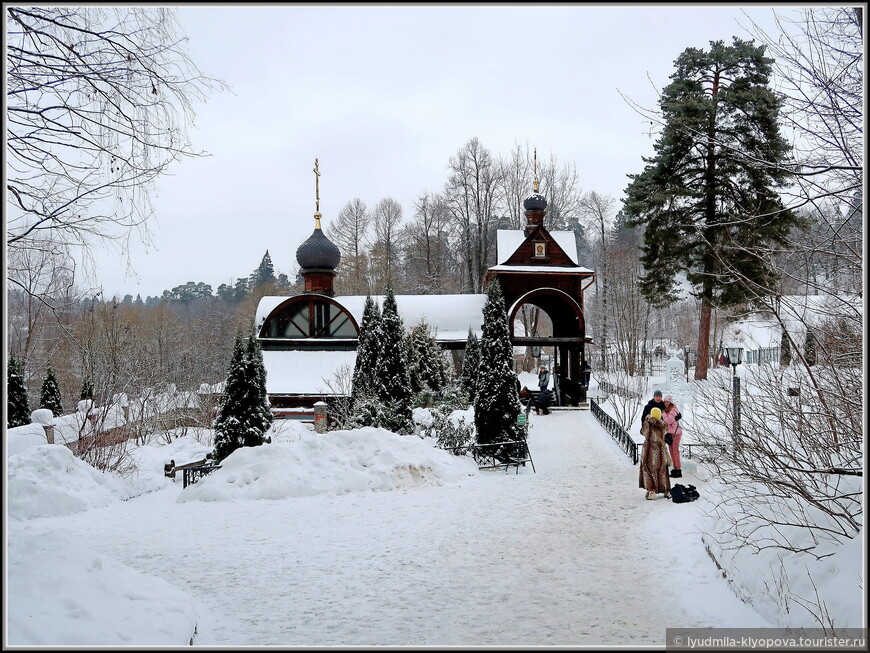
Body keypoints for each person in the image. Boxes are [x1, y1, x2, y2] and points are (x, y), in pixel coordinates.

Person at [639, 407, 671, 500]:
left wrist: (647, 419)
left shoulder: (648, 424)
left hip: (649, 451)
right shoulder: (663, 426)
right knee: (662, 470)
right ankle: (665, 490)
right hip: (661, 451)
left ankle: (651, 491)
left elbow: (642, 432)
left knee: (649, 470)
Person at [661, 394, 683, 478]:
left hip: (676, 433)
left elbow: (668, 420)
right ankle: (675, 468)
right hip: (671, 433)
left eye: (668, 402)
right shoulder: (668, 410)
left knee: (675, 451)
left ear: (671, 402)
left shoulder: (673, 410)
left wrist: (663, 413)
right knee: (672, 451)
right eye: (665, 401)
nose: (666, 403)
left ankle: (678, 469)